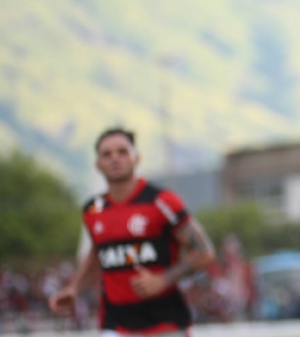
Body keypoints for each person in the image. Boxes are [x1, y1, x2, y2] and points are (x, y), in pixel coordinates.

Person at [49, 127, 216, 336]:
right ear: (98, 164)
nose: (115, 158)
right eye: (107, 154)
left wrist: (163, 280)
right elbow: (98, 254)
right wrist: (75, 289)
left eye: (122, 152)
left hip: (165, 322)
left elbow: (204, 252)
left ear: (136, 158)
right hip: (116, 323)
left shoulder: (162, 202)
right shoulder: (93, 210)